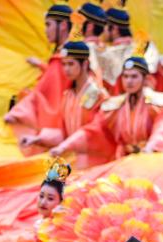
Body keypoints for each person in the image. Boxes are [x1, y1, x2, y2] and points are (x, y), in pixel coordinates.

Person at [50, 53, 163, 159]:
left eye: (134, 76)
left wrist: (151, 147)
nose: (129, 81)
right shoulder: (115, 107)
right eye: (125, 76)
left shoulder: (157, 104)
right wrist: (64, 146)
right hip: (124, 159)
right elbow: (93, 129)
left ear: (145, 79)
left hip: (151, 158)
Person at [16, 39, 109, 168]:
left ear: (85, 64)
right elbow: (64, 133)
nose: (66, 69)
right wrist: (38, 138)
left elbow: (94, 132)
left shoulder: (97, 94)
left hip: (95, 162)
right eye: (64, 64)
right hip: (74, 160)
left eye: (71, 64)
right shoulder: (68, 95)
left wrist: (65, 146)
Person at [5, 4, 75, 142]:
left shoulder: (61, 58)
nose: (46, 30)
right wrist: (41, 65)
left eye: (48, 25)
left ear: (63, 25)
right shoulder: (67, 54)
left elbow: (47, 92)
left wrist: (18, 112)